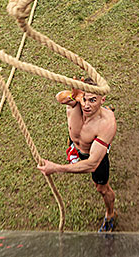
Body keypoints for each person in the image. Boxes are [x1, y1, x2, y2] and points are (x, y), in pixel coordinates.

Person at [37, 77, 117, 232]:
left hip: (91, 155)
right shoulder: (76, 103)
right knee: (75, 145)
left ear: (102, 100)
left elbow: (92, 163)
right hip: (75, 145)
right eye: (84, 99)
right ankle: (75, 151)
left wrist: (56, 168)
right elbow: (59, 97)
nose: (86, 105)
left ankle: (110, 214)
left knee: (102, 188)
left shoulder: (107, 124)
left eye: (93, 100)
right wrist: (75, 96)